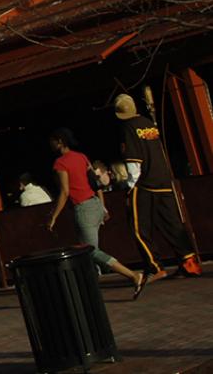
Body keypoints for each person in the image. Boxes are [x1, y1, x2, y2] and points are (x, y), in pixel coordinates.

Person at [46, 127, 147, 298]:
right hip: (94, 204)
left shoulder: (60, 163)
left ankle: (133, 275)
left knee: (90, 251)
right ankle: (89, 287)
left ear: (60, 141)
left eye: (52, 141)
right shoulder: (82, 157)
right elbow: (96, 183)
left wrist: (53, 217)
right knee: (87, 251)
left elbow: (65, 191)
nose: (50, 144)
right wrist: (103, 206)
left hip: (82, 208)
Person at [116, 93, 202, 278]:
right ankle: (190, 264)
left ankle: (155, 267)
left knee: (139, 228)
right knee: (173, 224)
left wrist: (130, 186)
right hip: (163, 179)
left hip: (144, 183)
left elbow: (134, 162)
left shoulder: (129, 127)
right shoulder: (148, 123)